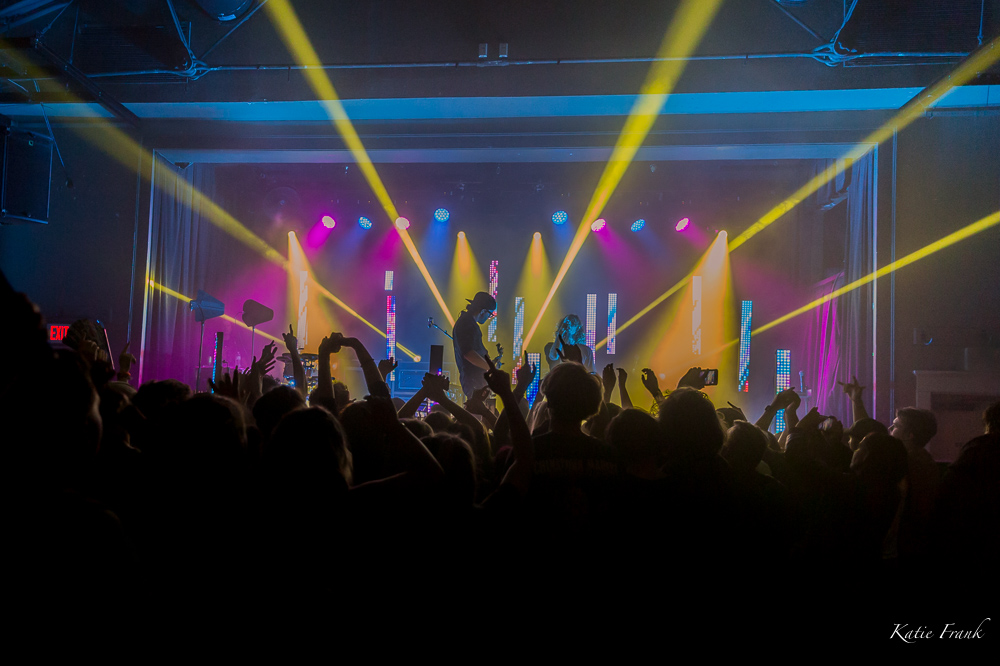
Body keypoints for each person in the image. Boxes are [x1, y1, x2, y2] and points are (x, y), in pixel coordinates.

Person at [452, 291, 497, 399]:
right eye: (489, 314)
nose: (488, 318)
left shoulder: (467, 322)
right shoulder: (466, 324)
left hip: (474, 381)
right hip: (474, 382)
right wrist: (491, 368)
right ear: (482, 311)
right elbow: (469, 354)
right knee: (476, 413)